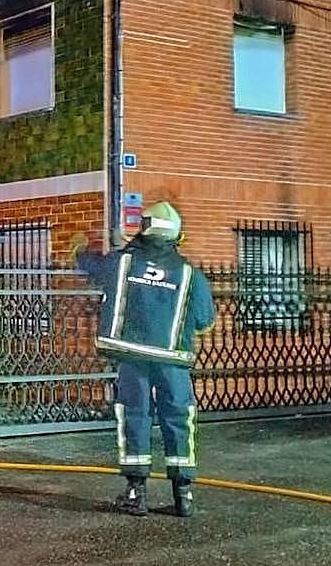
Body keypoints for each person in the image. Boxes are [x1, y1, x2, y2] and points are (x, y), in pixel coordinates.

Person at [71, 201, 215, 517]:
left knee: (134, 417)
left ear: (145, 227)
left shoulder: (121, 263)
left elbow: (91, 267)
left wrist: (80, 248)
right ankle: (184, 496)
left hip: (132, 358)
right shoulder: (191, 275)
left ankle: (137, 493)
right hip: (172, 362)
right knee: (178, 419)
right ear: (176, 234)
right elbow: (205, 319)